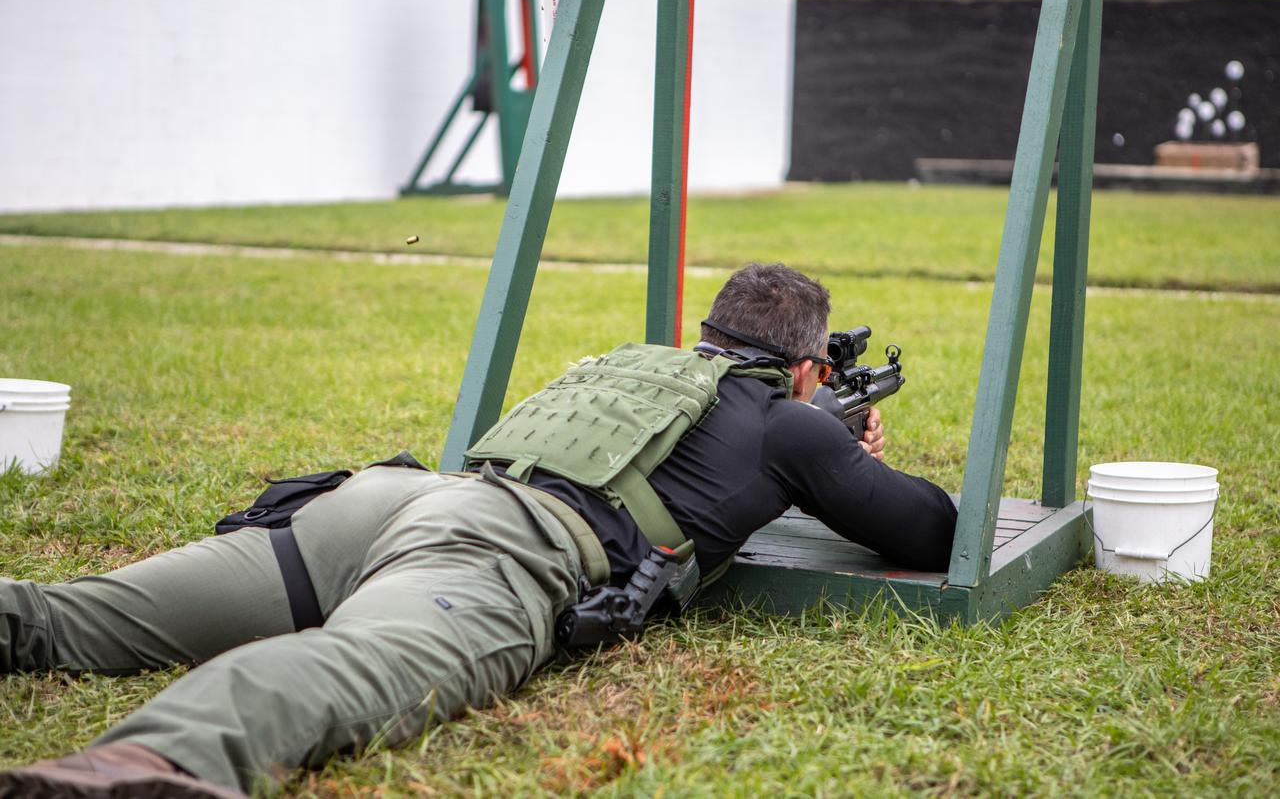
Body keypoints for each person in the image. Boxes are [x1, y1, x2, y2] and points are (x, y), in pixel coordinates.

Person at [0, 263, 957, 798]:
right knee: (355, 663)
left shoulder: (634, 367)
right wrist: (850, 451)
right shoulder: (791, 420)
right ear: (803, 369)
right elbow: (928, 526)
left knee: (76, 617)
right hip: (502, 547)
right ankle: (141, 765)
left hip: (381, 503)